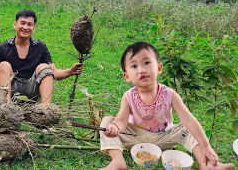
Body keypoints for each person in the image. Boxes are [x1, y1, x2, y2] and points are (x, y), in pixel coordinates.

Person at [100, 42, 234, 170]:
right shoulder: (128, 96)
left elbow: (188, 120)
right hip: (136, 138)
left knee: (186, 129)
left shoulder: (169, 94)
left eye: (147, 63)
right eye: (134, 66)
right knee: (107, 122)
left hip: (165, 136)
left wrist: (206, 145)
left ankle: (206, 164)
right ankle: (117, 160)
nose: (142, 70)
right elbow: (121, 120)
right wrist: (115, 127)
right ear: (126, 76)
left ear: (158, 68)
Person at [0, 9, 83, 103]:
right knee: (4, 65)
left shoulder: (40, 47)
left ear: (34, 28)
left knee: (44, 67)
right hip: (11, 89)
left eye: (29, 24)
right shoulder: (3, 47)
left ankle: (45, 110)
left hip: (32, 90)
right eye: (22, 23)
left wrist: (70, 71)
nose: (25, 27)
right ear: (15, 25)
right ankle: (5, 108)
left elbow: (54, 73)